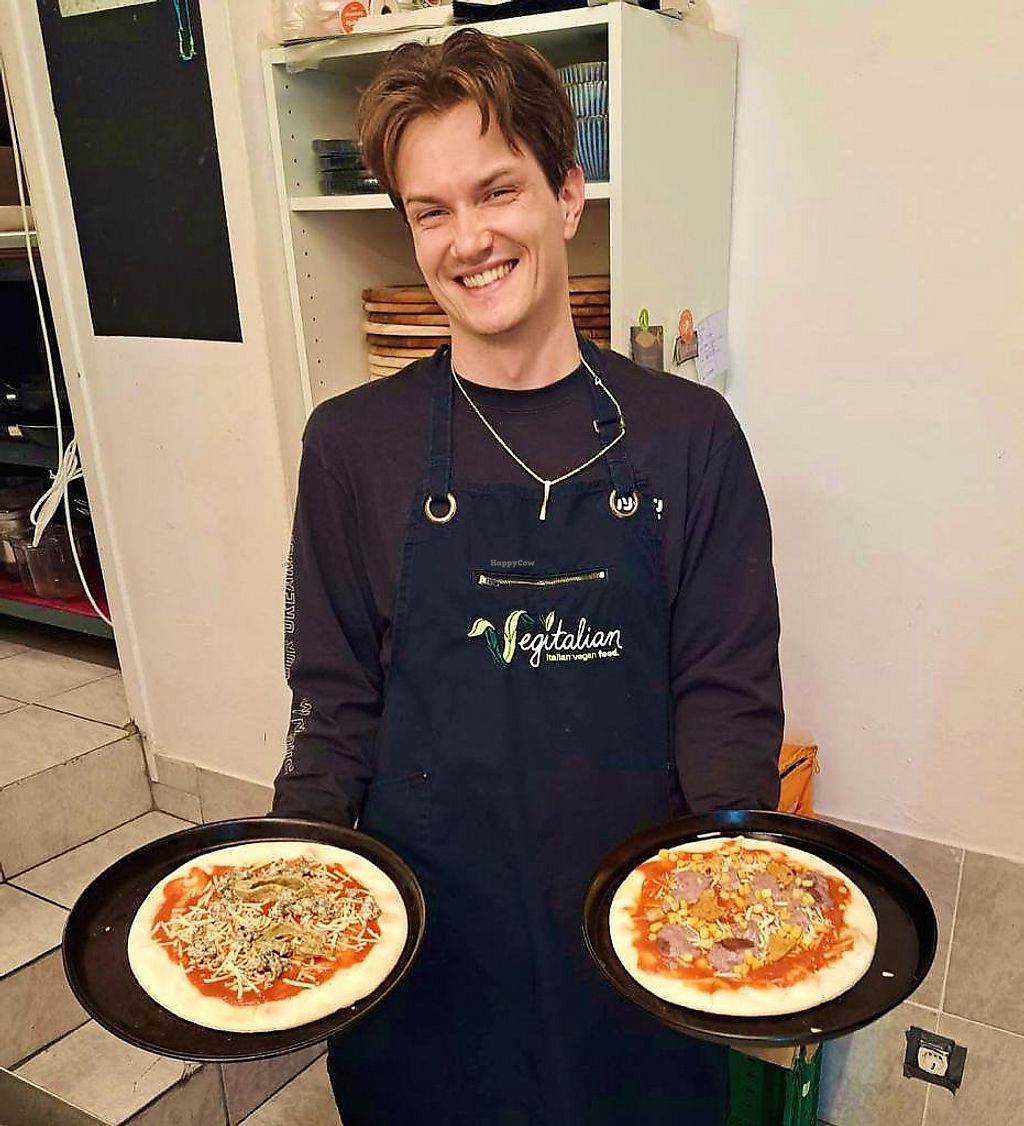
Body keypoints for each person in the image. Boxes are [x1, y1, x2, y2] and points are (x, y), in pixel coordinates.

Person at [273, 27, 783, 1126]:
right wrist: (294, 884)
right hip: (425, 945)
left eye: (496, 191)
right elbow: (332, 702)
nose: (468, 239)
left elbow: (727, 694)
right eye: (430, 211)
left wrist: (728, 892)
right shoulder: (351, 446)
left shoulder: (689, 438)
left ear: (567, 195)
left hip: (636, 936)